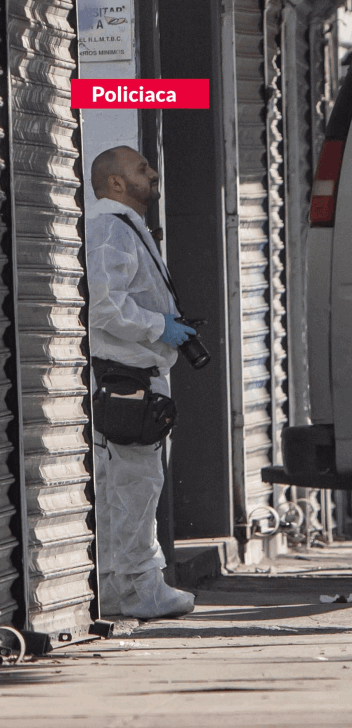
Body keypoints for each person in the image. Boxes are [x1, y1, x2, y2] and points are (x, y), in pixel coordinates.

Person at [87, 146, 196, 619]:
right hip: (127, 374)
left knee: (129, 485)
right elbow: (104, 305)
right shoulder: (111, 228)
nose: (152, 174)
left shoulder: (125, 226)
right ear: (115, 182)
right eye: (141, 169)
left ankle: (122, 585)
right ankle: (138, 587)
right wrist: (159, 327)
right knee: (134, 486)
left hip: (137, 374)